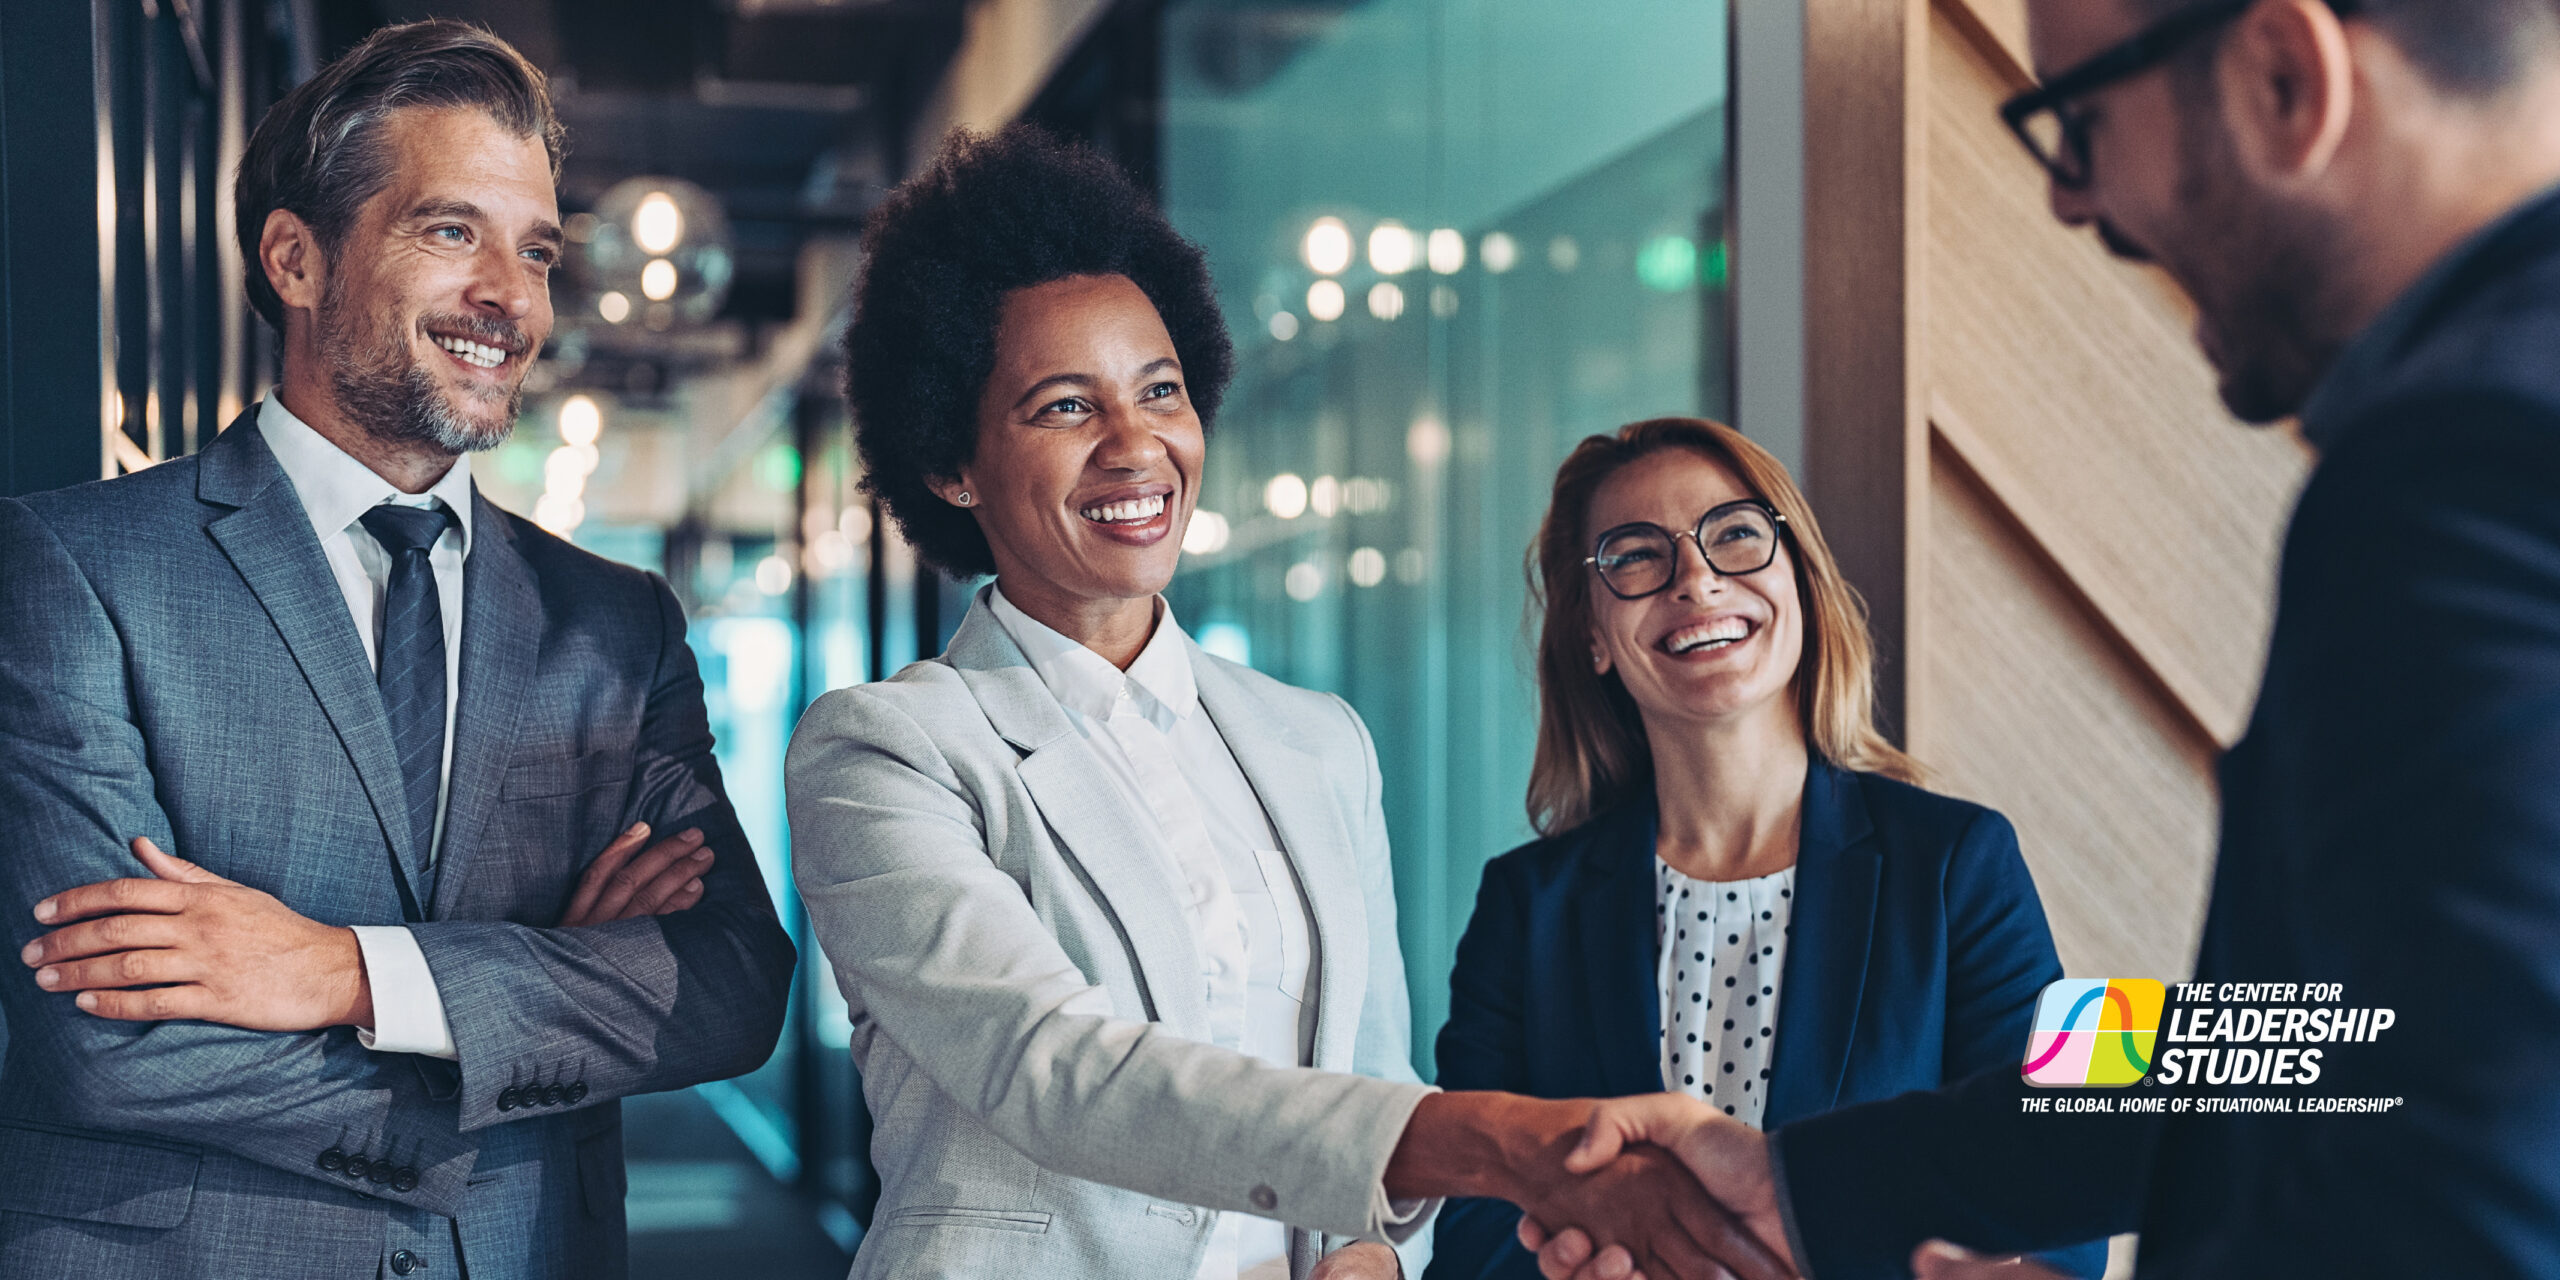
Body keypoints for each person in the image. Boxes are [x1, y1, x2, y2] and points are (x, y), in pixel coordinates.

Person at [1524, 0, 2560, 1277]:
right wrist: (1808, 1178)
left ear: (2286, 78)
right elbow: (2335, 1037)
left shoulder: (2461, 462)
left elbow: (2485, 1141)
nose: (2070, 199)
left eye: (2076, 121)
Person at [785, 125, 1788, 1280]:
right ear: (949, 463)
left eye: (1161, 390)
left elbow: (1367, 1069)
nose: (1134, 444)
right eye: (1065, 407)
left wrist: (1371, 1246)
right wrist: (1503, 1146)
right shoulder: (888, 750)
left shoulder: (1313, 739)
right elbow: (1051, 1066)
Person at [0, 22, 797, 1278]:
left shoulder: (613, 621)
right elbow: (107, 1039)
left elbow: (730, 982)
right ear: (296, 258)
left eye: (534, 249)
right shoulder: (76, 567)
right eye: (450, 231)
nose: (510, 296)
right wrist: (547, 1008)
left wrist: (344, 971)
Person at [1425, 419, 2101, 1280]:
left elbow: (2067, 1159)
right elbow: (1471, 1219)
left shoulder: (1960, 861)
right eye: (1635, 556)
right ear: (1592, 633)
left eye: (1736, 534)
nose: (1698, 580)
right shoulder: (1525, 906)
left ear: (1801, 581)